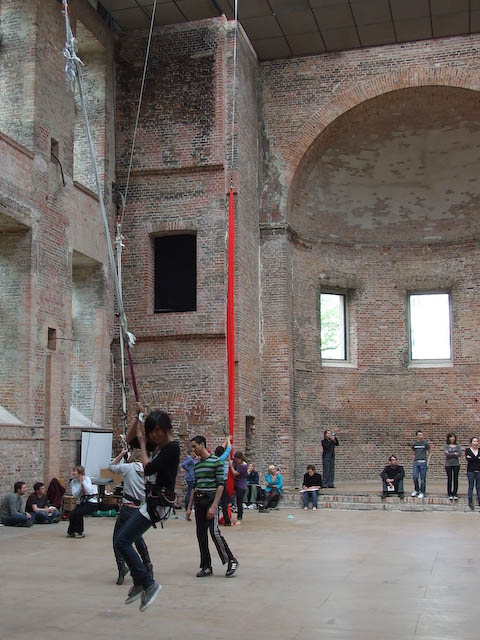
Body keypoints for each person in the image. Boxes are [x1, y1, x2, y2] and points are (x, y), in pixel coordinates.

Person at [114, 408, 179, 612]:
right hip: (149, 504)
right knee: (122, 540)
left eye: (157, 430)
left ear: (166, 428)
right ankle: (141, 581)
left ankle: (148, 583)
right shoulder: (159, 446)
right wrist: (137, 417)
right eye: (151, 432)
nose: (154, 435)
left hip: (156, 505)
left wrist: (143, 445)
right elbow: (132, 437)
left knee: (122, 541)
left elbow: (148, 468)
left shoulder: (171, 448)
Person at [186, 436, 238, 578]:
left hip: (211, 500)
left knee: (214, 532)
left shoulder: (216, 461)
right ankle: (206, 566)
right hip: (199, 501)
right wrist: (189, 507)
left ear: (202, 445)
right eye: (192, 447)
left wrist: (214, 505)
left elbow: (221, 485)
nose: (193, 450)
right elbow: (194, 487)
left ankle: (231, 560)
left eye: (194, 446)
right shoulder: (197, 465)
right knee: (201, 534)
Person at [109, 447, 153, 585]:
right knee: (137, 538)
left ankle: (122, 567)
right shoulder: (149, 471)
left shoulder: (128, 468)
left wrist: (121, 454)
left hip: (127, 508)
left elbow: (111, 467)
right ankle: (147, 563)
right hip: (141, 508)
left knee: (118, 539)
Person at [67, 465, 111, 538]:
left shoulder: (87, 479)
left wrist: (83, 483)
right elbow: (75, 494)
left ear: (80, 473)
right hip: (81, 501)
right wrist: (80, 487)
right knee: (72, 514)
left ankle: (79, 532)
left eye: (74, 471)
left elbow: (90, 492)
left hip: (91, 502)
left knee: (78, 513)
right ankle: (71, 531)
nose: (72, 473)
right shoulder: (73, 482)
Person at [214, 436, 232, 526]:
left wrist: (225, 440)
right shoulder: (222, 459)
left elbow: (221, 449)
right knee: (224, 503)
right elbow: (229, 448)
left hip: (215, 483)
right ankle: (227, 521)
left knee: (215, 502)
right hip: (222, 483)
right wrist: (228, 439)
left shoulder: (214, 458)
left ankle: (214, 521)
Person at [410, 430, 432, 498]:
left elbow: (430, 452)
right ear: (417, 436)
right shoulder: (414, 444)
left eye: (422, 435)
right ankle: (416, 489)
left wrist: (427, 462)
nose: (421, 436)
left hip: (423, 462)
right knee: (415, 476)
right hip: (416, 462)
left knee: (423, 478)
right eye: (419, 435)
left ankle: (422, 492)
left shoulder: (425, 444)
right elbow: (413, 452)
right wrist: (414, 460)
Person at [229, 451, 248, 524]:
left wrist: (231, 465)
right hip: (236, 483)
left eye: (237, 460)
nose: (236, 461)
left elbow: (235, 473)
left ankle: (239, 518)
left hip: (241, 486)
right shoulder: (238, 462)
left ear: (240, 459)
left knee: (239, 502)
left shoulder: (244, 466)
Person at [444, 433, 461, 500]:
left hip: (456, 464)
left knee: (455, 479)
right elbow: (446, 454)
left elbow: (459, 454)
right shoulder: (446, 446)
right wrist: (454, 453)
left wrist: (451, 453)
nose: (452, 439)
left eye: (453, 437)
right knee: (449, 479)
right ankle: (449, 493)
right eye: (451, 437)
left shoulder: (458, 446)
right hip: (448, 464)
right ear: (448, 438)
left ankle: (455, 493)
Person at [465, 437, 480, 510]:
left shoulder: (479, 450)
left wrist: (473, 458)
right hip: (470, 471)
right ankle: (470, 501)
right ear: (471, 442)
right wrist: (477, 459)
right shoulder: (468, 450)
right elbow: (468, 460)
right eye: (474, 441)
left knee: (478, 486)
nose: (476, 442)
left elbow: (472, 459)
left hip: (478, 471)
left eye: (477, 441)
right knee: (471, 485)